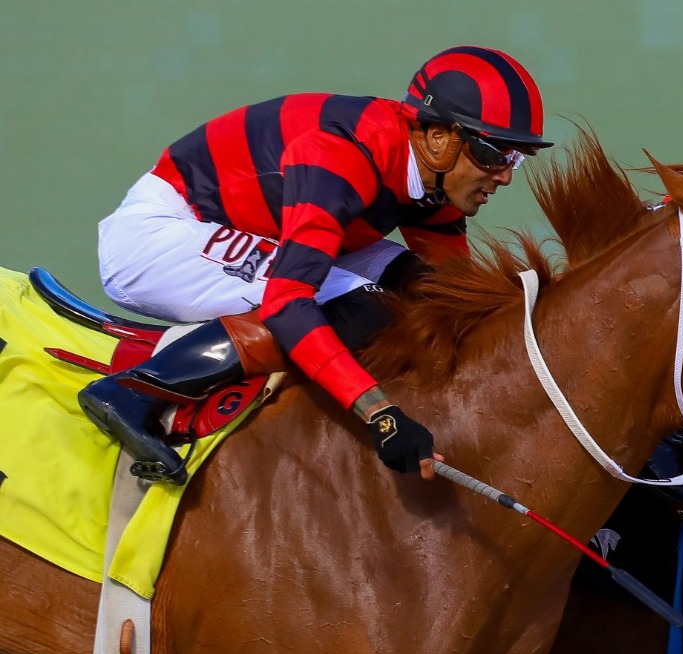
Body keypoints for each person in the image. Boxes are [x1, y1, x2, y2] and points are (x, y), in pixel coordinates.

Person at [78, 45, 552, 485]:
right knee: (366, 307)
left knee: (420, 289)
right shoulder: (343, 155)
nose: (506, 175)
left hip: (250, 227)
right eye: (494, 153)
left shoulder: (433, 179)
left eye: (517, 157)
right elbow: (288, 303)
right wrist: (381, 413)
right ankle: (133, 392)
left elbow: (454, 295)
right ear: (436, 138)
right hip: (158, 235)